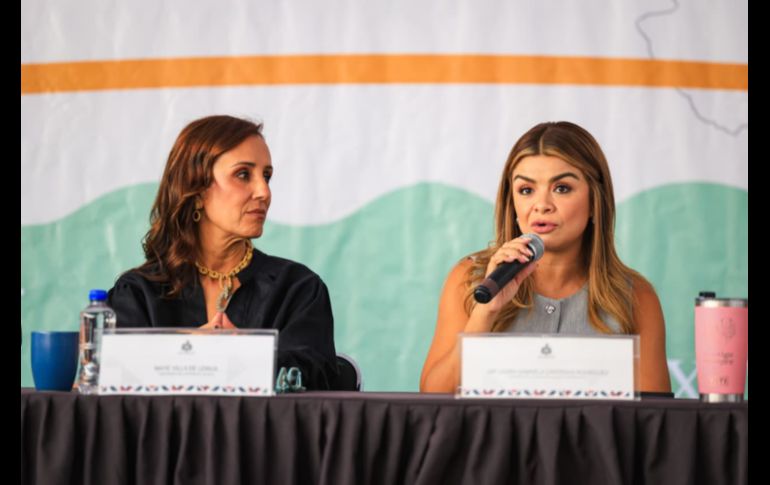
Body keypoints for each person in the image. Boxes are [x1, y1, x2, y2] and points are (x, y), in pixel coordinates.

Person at [420, 121, 671, 393]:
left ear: (595, 203)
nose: (541, 205)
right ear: (512, 203)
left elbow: (653, 420)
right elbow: (433, 401)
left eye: (561, 188)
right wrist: (485, 312)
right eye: (526, 190)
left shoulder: (635, 297)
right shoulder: (472, 281)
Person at [107, 115, 338, 390]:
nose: (264, 191)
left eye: (267, 176)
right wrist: (189, 351)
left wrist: (240, 355)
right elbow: (116, 386)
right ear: (197, 189)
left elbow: (315, 378)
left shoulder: (298, 288)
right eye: (243, 174)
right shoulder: (138, 292)